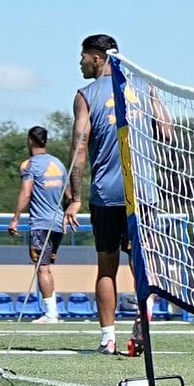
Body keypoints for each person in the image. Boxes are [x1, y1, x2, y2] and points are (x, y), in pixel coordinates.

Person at [65, 34, 172, 356]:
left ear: (97, 58)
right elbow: (167, 133)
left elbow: (79, 147)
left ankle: (107, 338)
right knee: (144, 263)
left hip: (107, 194)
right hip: (144, 193)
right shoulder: (144, 87)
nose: (80, 63)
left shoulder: (86, 95)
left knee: (107, 267)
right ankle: (143, 320)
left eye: (83, 57)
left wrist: (75, 196)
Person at [7, 125, 70, 324]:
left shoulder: (29, 165)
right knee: (47, 267)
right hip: (58, 224)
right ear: (46, 141)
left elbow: (26, 193)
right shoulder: (58, 164)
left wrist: (16, 218)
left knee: (42, 268)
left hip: (41, 223)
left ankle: (51, 313)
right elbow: (69, 194)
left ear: (30, 141)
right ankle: (52, 311)